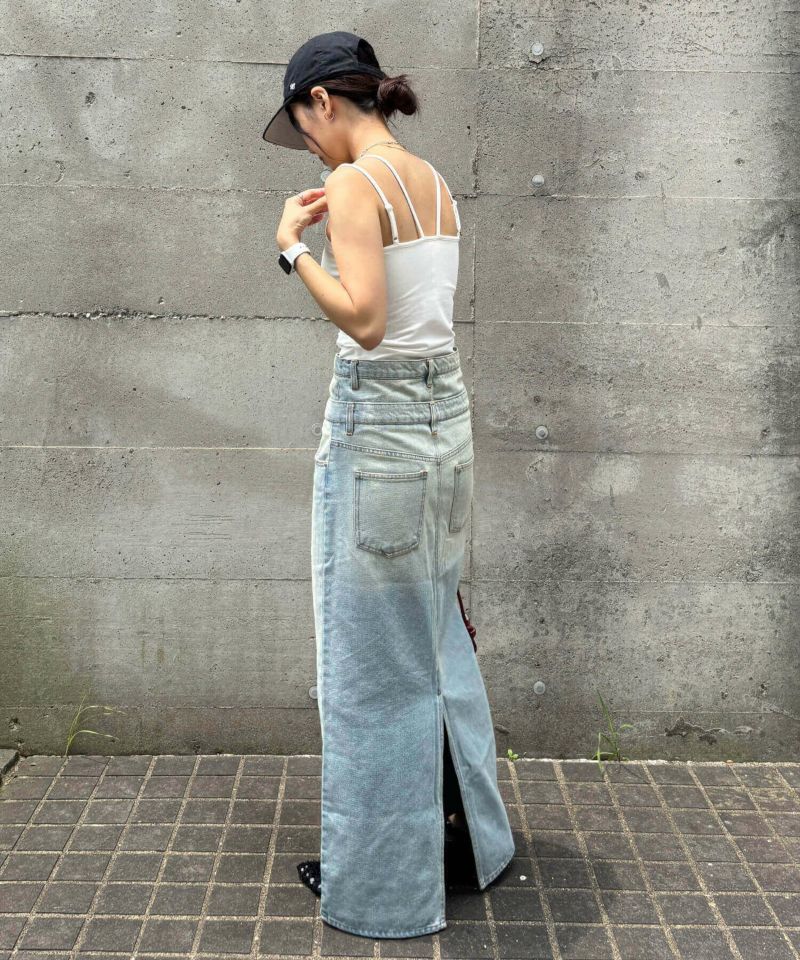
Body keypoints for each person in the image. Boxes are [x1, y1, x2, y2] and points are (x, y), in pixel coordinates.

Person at [263, 31, 516, 940]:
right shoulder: (433, 179)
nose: (308, 146)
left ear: (323, 101)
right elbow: (418, 316)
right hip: (446, 429)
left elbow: (367, 322)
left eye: (303, 126)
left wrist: (293, 250)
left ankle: (378, 885)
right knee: (437, 645)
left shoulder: (357, 184)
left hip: (379, 437)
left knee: (370, 669)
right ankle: (472, 843)